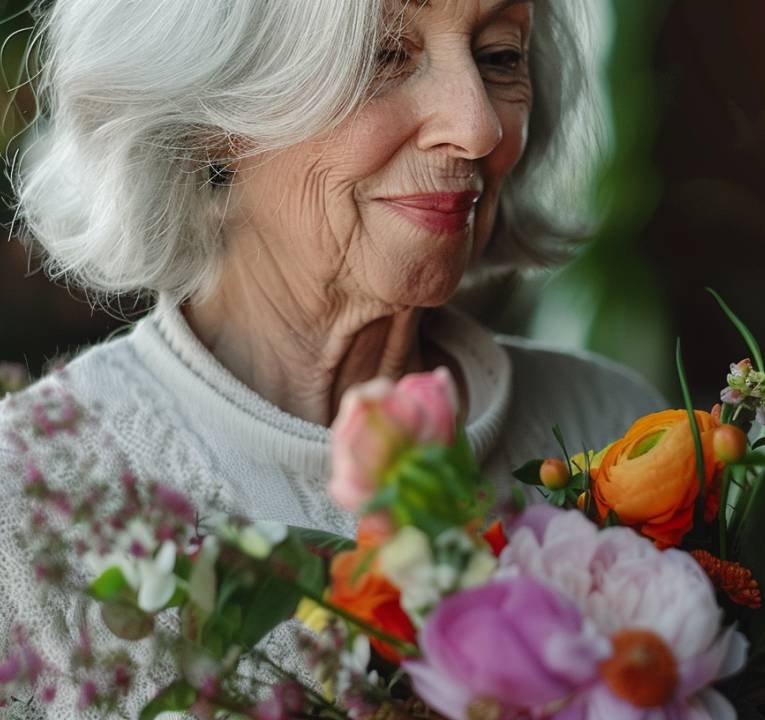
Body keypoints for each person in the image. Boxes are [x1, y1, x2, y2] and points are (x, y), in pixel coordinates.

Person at [0, 0, 664, 715]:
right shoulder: (29, 507)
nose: (478, 126)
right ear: (212, 118)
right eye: (383, 56)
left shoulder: (623, 437)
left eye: (500, 56)